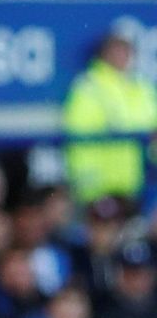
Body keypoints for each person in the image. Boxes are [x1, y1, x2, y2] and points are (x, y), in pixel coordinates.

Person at [62, 29, 157, 206]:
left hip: (136, 181)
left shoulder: (141, 87)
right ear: (104, 54)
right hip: (98, 186)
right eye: (116, 51)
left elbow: (151, 127)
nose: (122, 57)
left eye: (126, 51)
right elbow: (79, 135)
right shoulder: (89, 86)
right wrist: (86, 181)